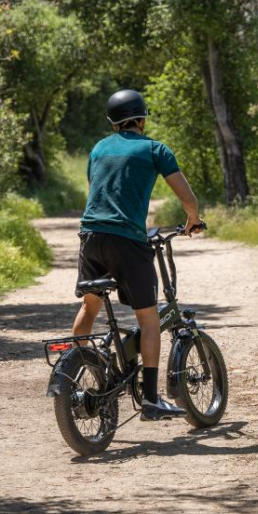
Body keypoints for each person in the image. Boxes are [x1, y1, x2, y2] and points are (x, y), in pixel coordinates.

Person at [73, 89, 202, 420]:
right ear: (142, 118)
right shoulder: (155, 149)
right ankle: (149, 399)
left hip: (90, 236)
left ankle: (78, 370)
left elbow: (100, 188)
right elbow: (187, 198)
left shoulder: (99, 148)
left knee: (90, 304)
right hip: (126, 240)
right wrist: (192, 219)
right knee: (147, 318)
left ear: (112, 121)